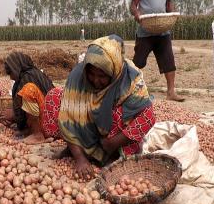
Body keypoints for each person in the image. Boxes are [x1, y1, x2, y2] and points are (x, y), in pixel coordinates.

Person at [58, 35, 156, 179]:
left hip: (113, 139)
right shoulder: (78, 77)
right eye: (91, 74)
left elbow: (148, 117)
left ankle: (112, 153)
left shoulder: (131, 78)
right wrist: (80, 159)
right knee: (56, 98)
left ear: (114, 70)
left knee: (118, 114)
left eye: (102, 75)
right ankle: (80, 150)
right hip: (88, 132)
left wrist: (113, 142)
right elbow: (67, 118)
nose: (95, 80)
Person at [130, 0, 184, 102]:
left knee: (169, 61)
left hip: (163, 30)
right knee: (138, 62)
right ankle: (129, 90)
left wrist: (172, 14)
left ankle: (171, 92)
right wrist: (137, 14)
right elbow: (133, 5)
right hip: (145, 30)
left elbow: (169, 4)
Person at [1, 52, 54, 139]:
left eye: (11, 73)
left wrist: (14, 115)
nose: (10, 77)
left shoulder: (29, 77)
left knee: (28, 90)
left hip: (49, 120)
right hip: (47, 117)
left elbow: (25, 103)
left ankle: (37, 133)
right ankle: (32, 129)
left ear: (16, 67)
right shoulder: (27, 75)